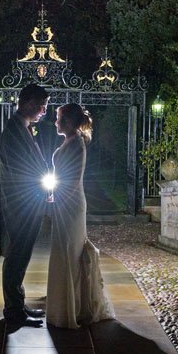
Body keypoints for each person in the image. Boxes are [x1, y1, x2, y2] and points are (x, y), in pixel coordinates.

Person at [45, 103, 114, 329]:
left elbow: (73, 180)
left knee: (69, 252)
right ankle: (65, 305)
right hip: (63, 202)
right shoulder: (69, 142)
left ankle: (72, 308)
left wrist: (58, 199)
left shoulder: (76, 144)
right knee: (64, 251)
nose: (56, 123)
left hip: (71, 205)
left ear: (71, 122)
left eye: (60, 119)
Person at [0, 84, 52, 324]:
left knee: (22, 253)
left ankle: (17, 304)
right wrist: (41, 188)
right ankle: (13, 310)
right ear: (29, 102)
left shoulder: (23, 128)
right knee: (18, 253)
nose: (44, 111)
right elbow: (21, 167)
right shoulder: (13, 130)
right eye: (43, 105)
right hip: (21, 202)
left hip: (28, 201)